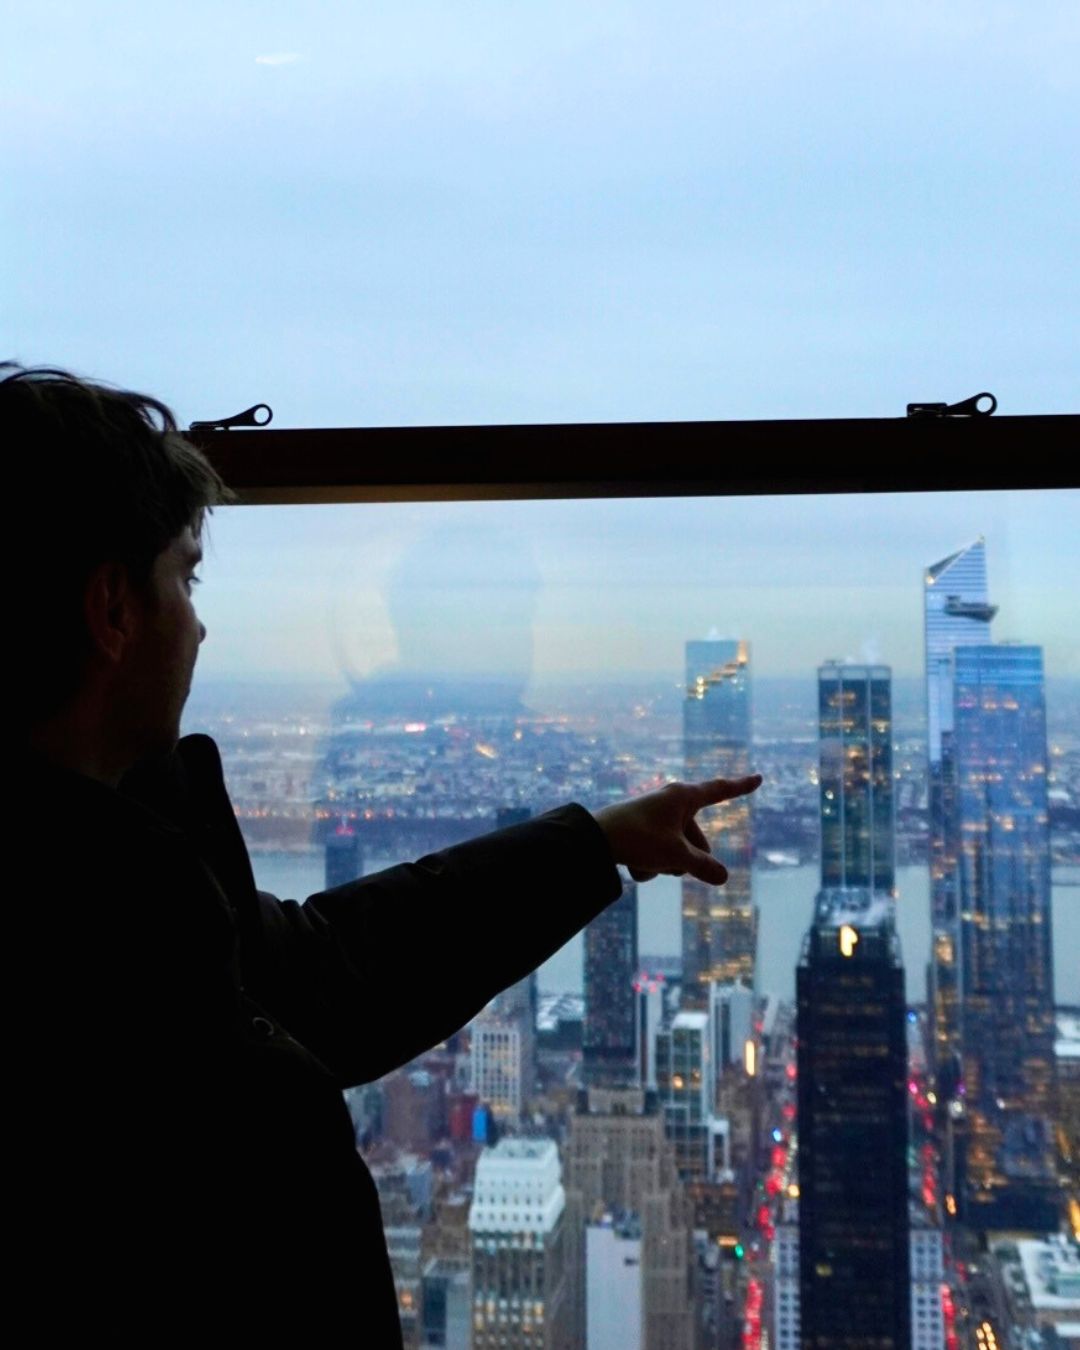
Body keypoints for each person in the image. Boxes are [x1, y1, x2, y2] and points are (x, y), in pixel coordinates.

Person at [7, 362, 760, 1342]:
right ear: (113, 611)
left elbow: (316, 974)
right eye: (184, 577)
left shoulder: (131, 875)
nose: (201, 621)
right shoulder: (90, 940)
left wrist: (594, 844)